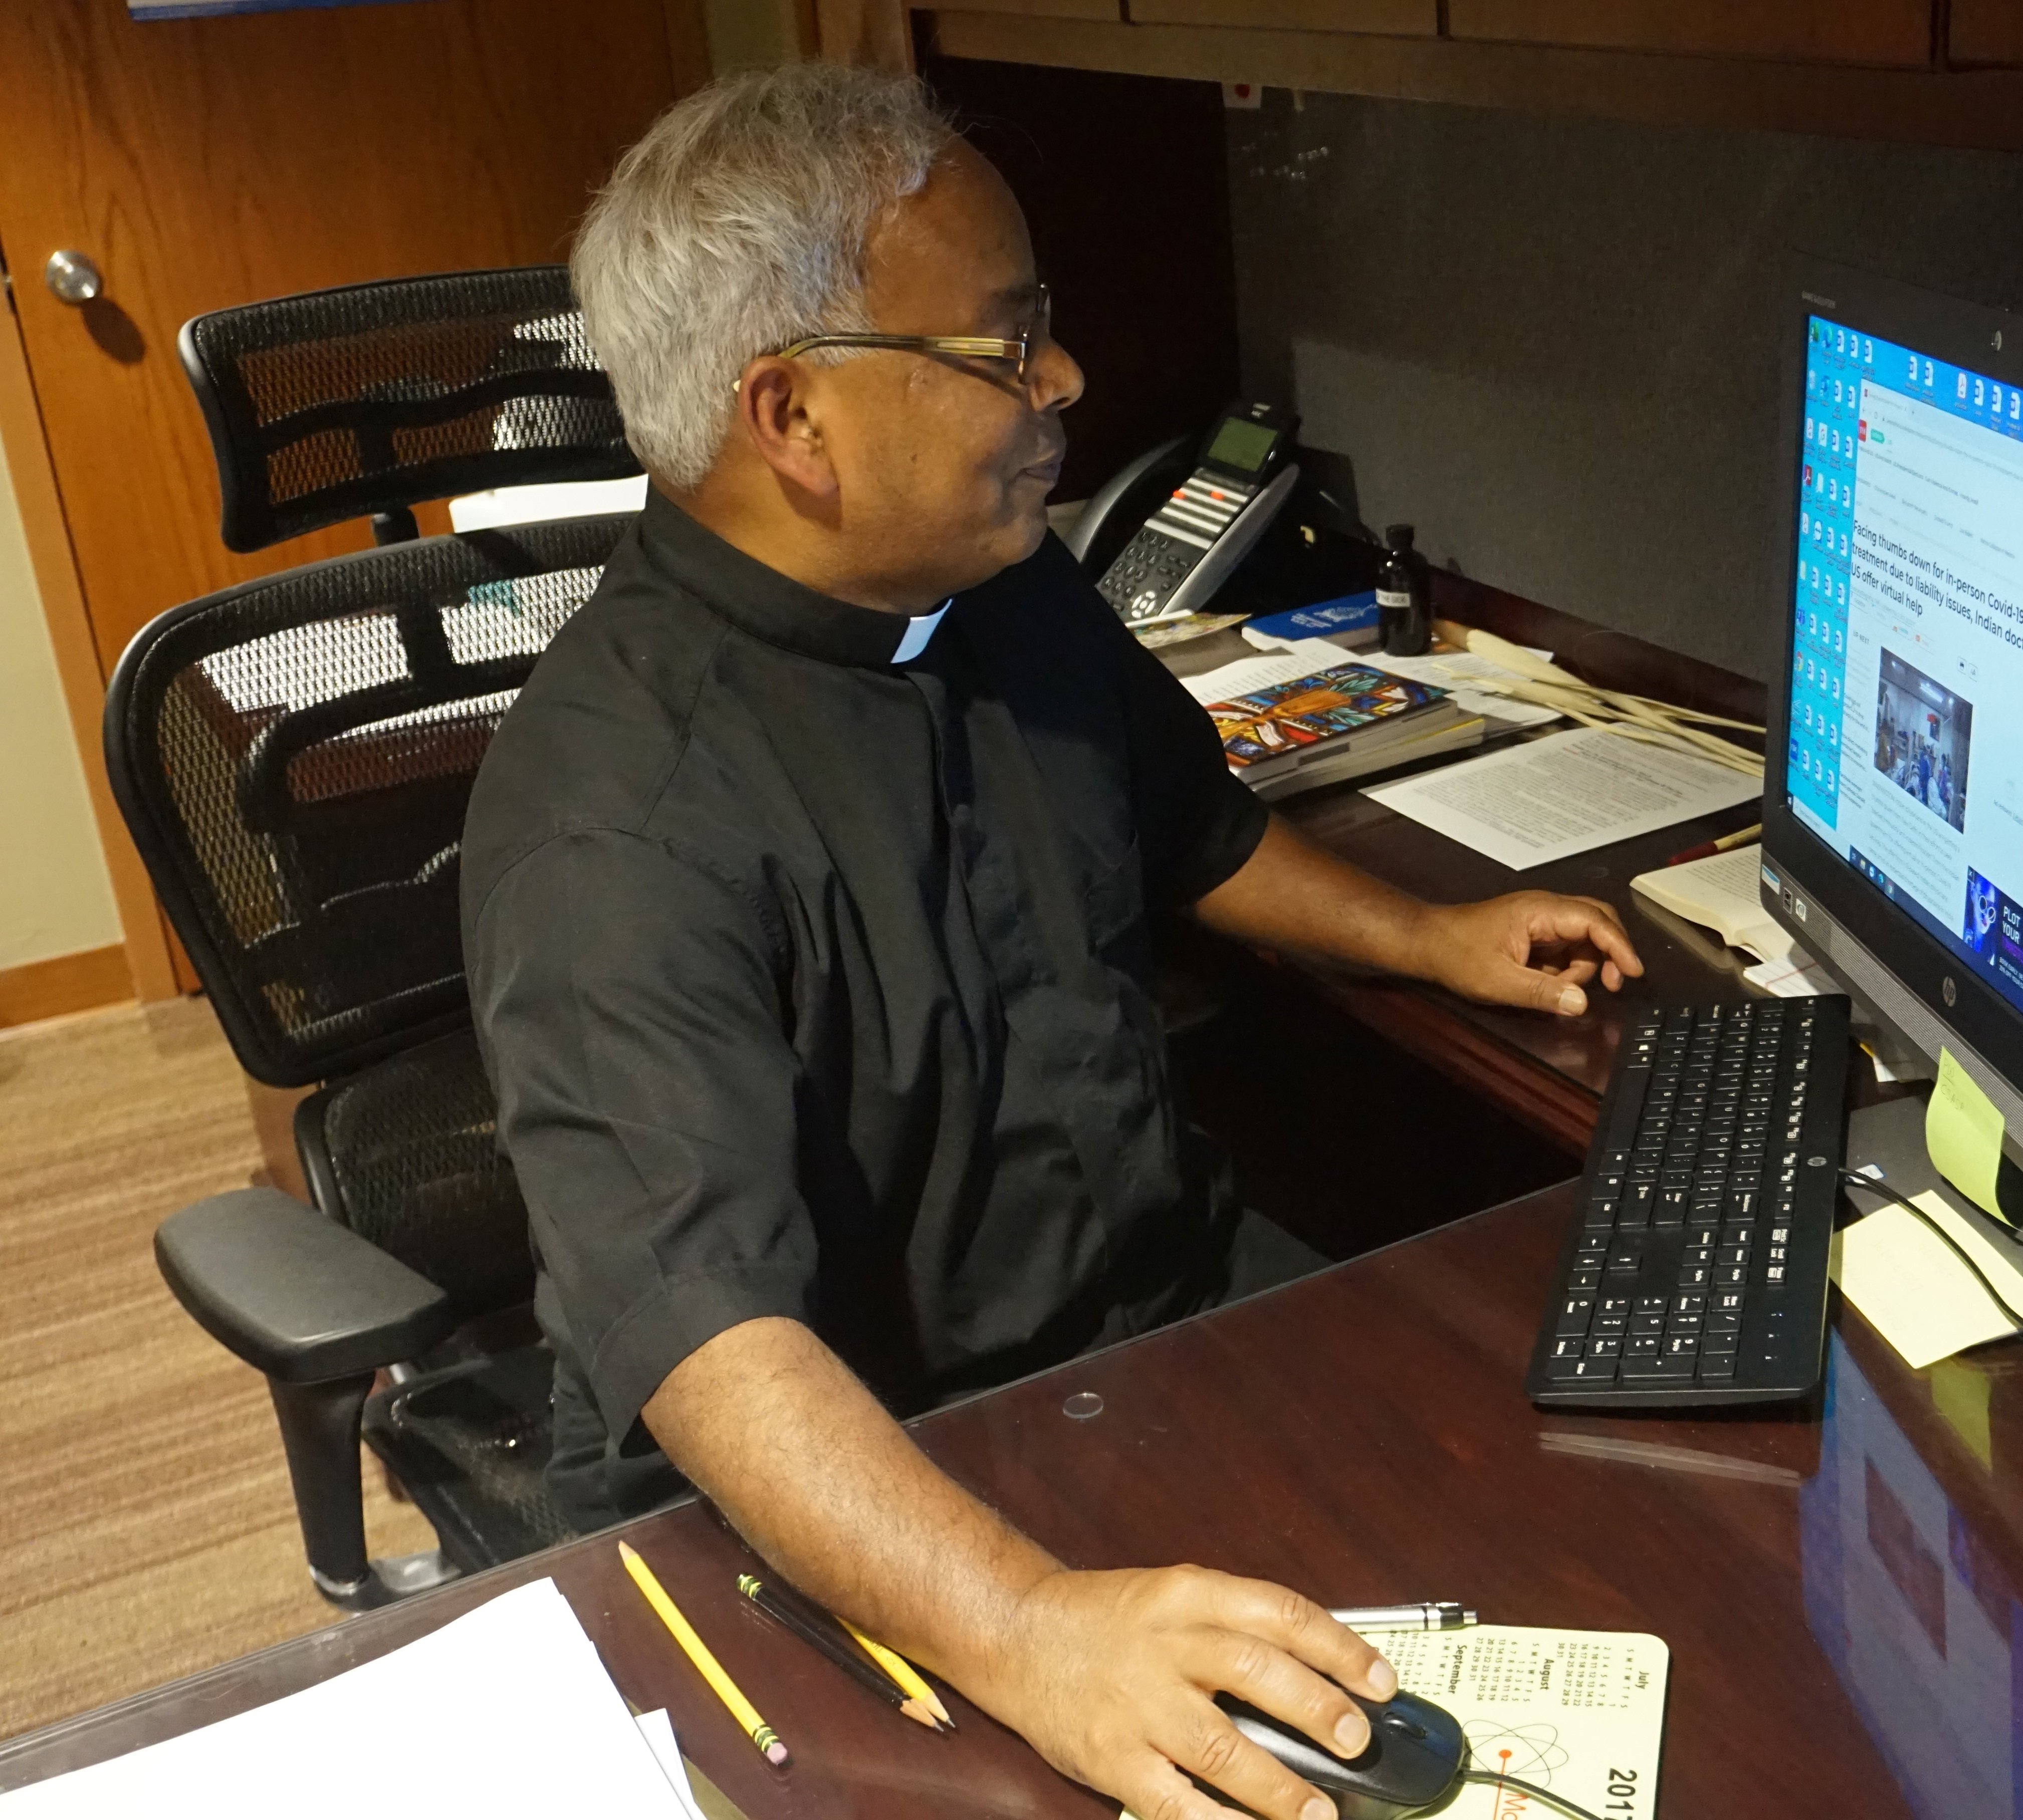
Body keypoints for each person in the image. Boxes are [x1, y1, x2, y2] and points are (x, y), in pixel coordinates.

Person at [459, 65, 1642, 1820]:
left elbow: (1196, 831)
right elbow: (715, 1348)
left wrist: (1431, 936)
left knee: (1585, 1563)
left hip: (1156, 1326)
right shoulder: (615, 819)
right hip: (879, 1473)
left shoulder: (1006, 585)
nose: (1067, 383)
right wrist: (1026, 1632)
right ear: (794, 417)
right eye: (1005, 347)